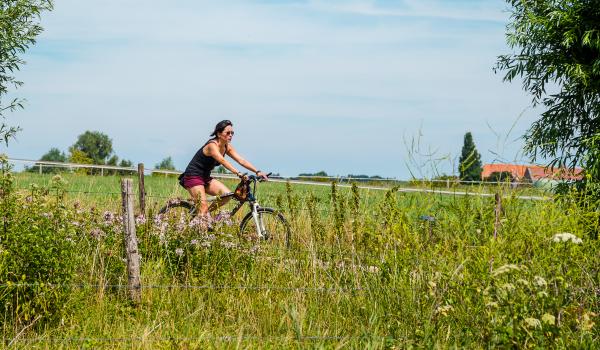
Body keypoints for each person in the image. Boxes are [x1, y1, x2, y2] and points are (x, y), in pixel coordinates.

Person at [178, 120, 268, 218]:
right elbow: (222, 161)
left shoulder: (226, 146)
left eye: (232, 133)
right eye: (228, 133)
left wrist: (257, 171)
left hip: (205, 177)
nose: (231, 135)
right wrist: (238, 173)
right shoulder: (212, 146)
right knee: (203, 208)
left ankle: (202, 216)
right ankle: (202, 216)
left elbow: (241, 160)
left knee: (227, 195)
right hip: (193, 176)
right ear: (219, 133)